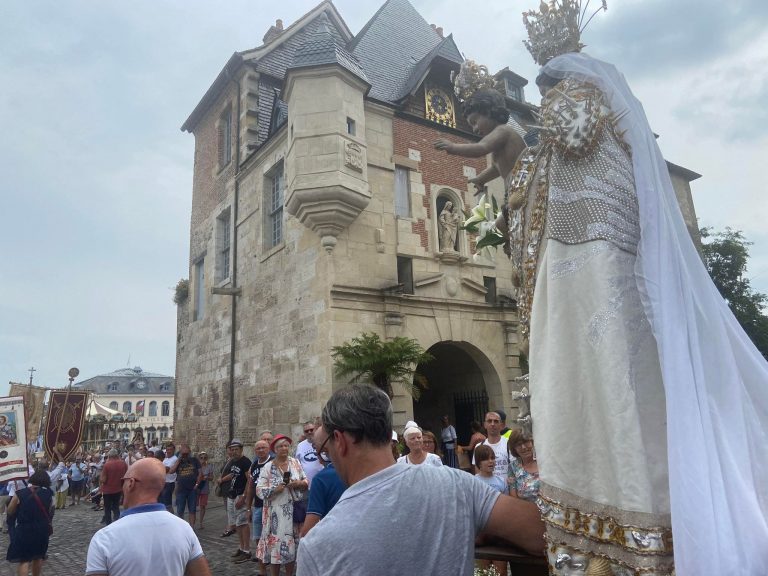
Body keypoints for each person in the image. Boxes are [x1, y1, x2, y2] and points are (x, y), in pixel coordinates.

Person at [296, 385, 544, 575]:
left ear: (339, 441)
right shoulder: (456, 485)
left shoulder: (317, 548)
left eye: (325, 451)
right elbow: (539, 533)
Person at [85, 458, 212, 576]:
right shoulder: (185, 528)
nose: (121, 486)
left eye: (122, 481)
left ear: (131, 483)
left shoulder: (104, 538)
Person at [255, 434, 308, 576]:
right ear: (274, 449)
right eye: (280, 446)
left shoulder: (295, 462)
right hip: (275, 515)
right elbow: (259, 490)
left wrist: (298, 484)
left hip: (294, 513)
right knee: (276, 549)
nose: (284, 448)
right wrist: (275, 489)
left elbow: (306, 481)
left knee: (291, 548)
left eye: (286, 445)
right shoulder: (268, 467)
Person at [6, 469, 54, 576]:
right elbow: (51, 511)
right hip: (42, 529)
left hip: (24, 530)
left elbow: (10, 511)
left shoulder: (20, 493)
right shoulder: (49, 493)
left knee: (24, 560)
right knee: (38, 557)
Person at [299, 425, 345, 537]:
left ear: (323, 452)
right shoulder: (358, 469)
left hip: (334, 535)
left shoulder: (321, 479)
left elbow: (309, 527)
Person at [473, 444, 508, 576]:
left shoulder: (501, 482)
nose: (491, 461)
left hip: (499, 532)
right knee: (484, 571)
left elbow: (506, 507)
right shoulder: (473, 481)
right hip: (481, 532)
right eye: (486, 459)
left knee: (501, 570)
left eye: (493, 458)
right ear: (478, 463)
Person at [244, 440, 274, 574]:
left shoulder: (274, 462)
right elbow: (251, 486)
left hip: (272, 506)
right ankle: (262, 568)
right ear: (255, 451)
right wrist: (248, 508)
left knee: (272, 537)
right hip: (257, 506)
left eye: (263, 448)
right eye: (258, 449)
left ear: (269, 449)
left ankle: (273, 564)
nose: (261, 450)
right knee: (258, 537)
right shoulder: (255, 464)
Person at [221, 438, 251, 563]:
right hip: (232, 495)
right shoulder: (233, 461)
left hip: (240, 495)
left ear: (241, 449)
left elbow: (249, 481)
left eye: (236, 449)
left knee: (243, 523)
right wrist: (222, 479)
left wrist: (244, 497)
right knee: (236, 524)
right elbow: (233, 474)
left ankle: (247, 551)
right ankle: (241, 547)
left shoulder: (245, 462)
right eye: (232, 450)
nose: (234, 452)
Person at [472, 412, 509, 483]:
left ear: (501, 425)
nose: (492, 424)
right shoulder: (479, 446)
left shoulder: (509, 444)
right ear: (485, 425)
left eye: (496, 421)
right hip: (487, 490)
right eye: (489, 421)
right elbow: (477, 471)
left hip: (507, 490)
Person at [170, 443, 202, 527]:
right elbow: (171, 471)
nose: (185, 454)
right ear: (180, 452)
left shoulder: (194, 460)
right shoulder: (178, 461)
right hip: (181, 489)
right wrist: (179, 459)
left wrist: (197, 484)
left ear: (189, 451)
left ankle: (191, 527)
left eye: (186, 452)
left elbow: (200, 473)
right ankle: (181, 527)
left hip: (192, 489)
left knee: (192, 510)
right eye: (182, 452)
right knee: (180, 510)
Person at [506, 430, 539, 502]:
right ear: (514, 449)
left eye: (526, 442)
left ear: (532, 442)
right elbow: (513, 497)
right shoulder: (513, 467)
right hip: (525, 510)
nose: (523, 447)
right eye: (518, 444)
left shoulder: (543, 461)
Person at [99, 449, 127, 525]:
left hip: (108, 490)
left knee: (107, 508)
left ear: (110, 456)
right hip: (118, 489)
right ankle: (117, 522)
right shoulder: (123, 464)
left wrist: (101, 475)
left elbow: (103, 480)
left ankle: (108, 523)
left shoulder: (107, 465)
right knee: (116, 506)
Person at [294, 420, 323, 489]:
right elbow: (297, 464)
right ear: (304, 433)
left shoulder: (322, 441)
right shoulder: (300, 446)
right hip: (308, 485)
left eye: (311, 430)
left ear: (315, 429)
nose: (309, 432)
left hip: (323, 481)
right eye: (306, 431)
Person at [196, 451, 213, 530]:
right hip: (197, 487)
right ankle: (193, 520)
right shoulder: (197, 467)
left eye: (205, 458)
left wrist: (207, 478)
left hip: (204, 488)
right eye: (201, 458)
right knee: (194, 505)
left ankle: (200, 522)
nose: (203, 459)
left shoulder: (209, 467)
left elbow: (212, 477)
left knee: (202, 506)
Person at [160, 443, 178, 512]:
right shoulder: (165, 459)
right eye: (167, 449)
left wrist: (160, 468)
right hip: (164, 482)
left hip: (170, 483)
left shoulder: (175, 459)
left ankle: (171, 517)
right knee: (163, 503)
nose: (169, 451)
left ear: (174, 450)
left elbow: (167, 469)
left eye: (170, 449)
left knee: (168, 504)